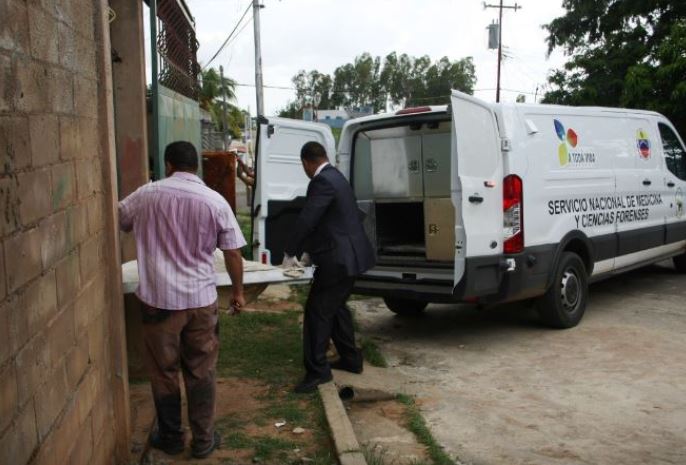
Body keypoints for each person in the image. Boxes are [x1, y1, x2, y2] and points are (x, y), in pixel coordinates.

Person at [119, 141, 246, 458]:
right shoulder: (214, 201)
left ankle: (173, 437)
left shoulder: (146, 194)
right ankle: (203, 441)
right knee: (201, 371)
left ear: (168, 165)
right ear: (195, 167)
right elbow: (232, 252)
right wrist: (239, 293)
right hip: (200, 301)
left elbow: (121, 219)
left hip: (158, 303)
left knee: (164, 372)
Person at [283, 141, 375, 393]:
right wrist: (312, 252)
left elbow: (308, 219)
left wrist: (291, 251)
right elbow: (334, 220)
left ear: (306, 162)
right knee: (336, 309)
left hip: (338, 260)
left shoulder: (321, 181)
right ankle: (351, 359)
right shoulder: (337, 177)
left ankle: (317, 372)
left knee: (317, 312)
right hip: (351, 257)